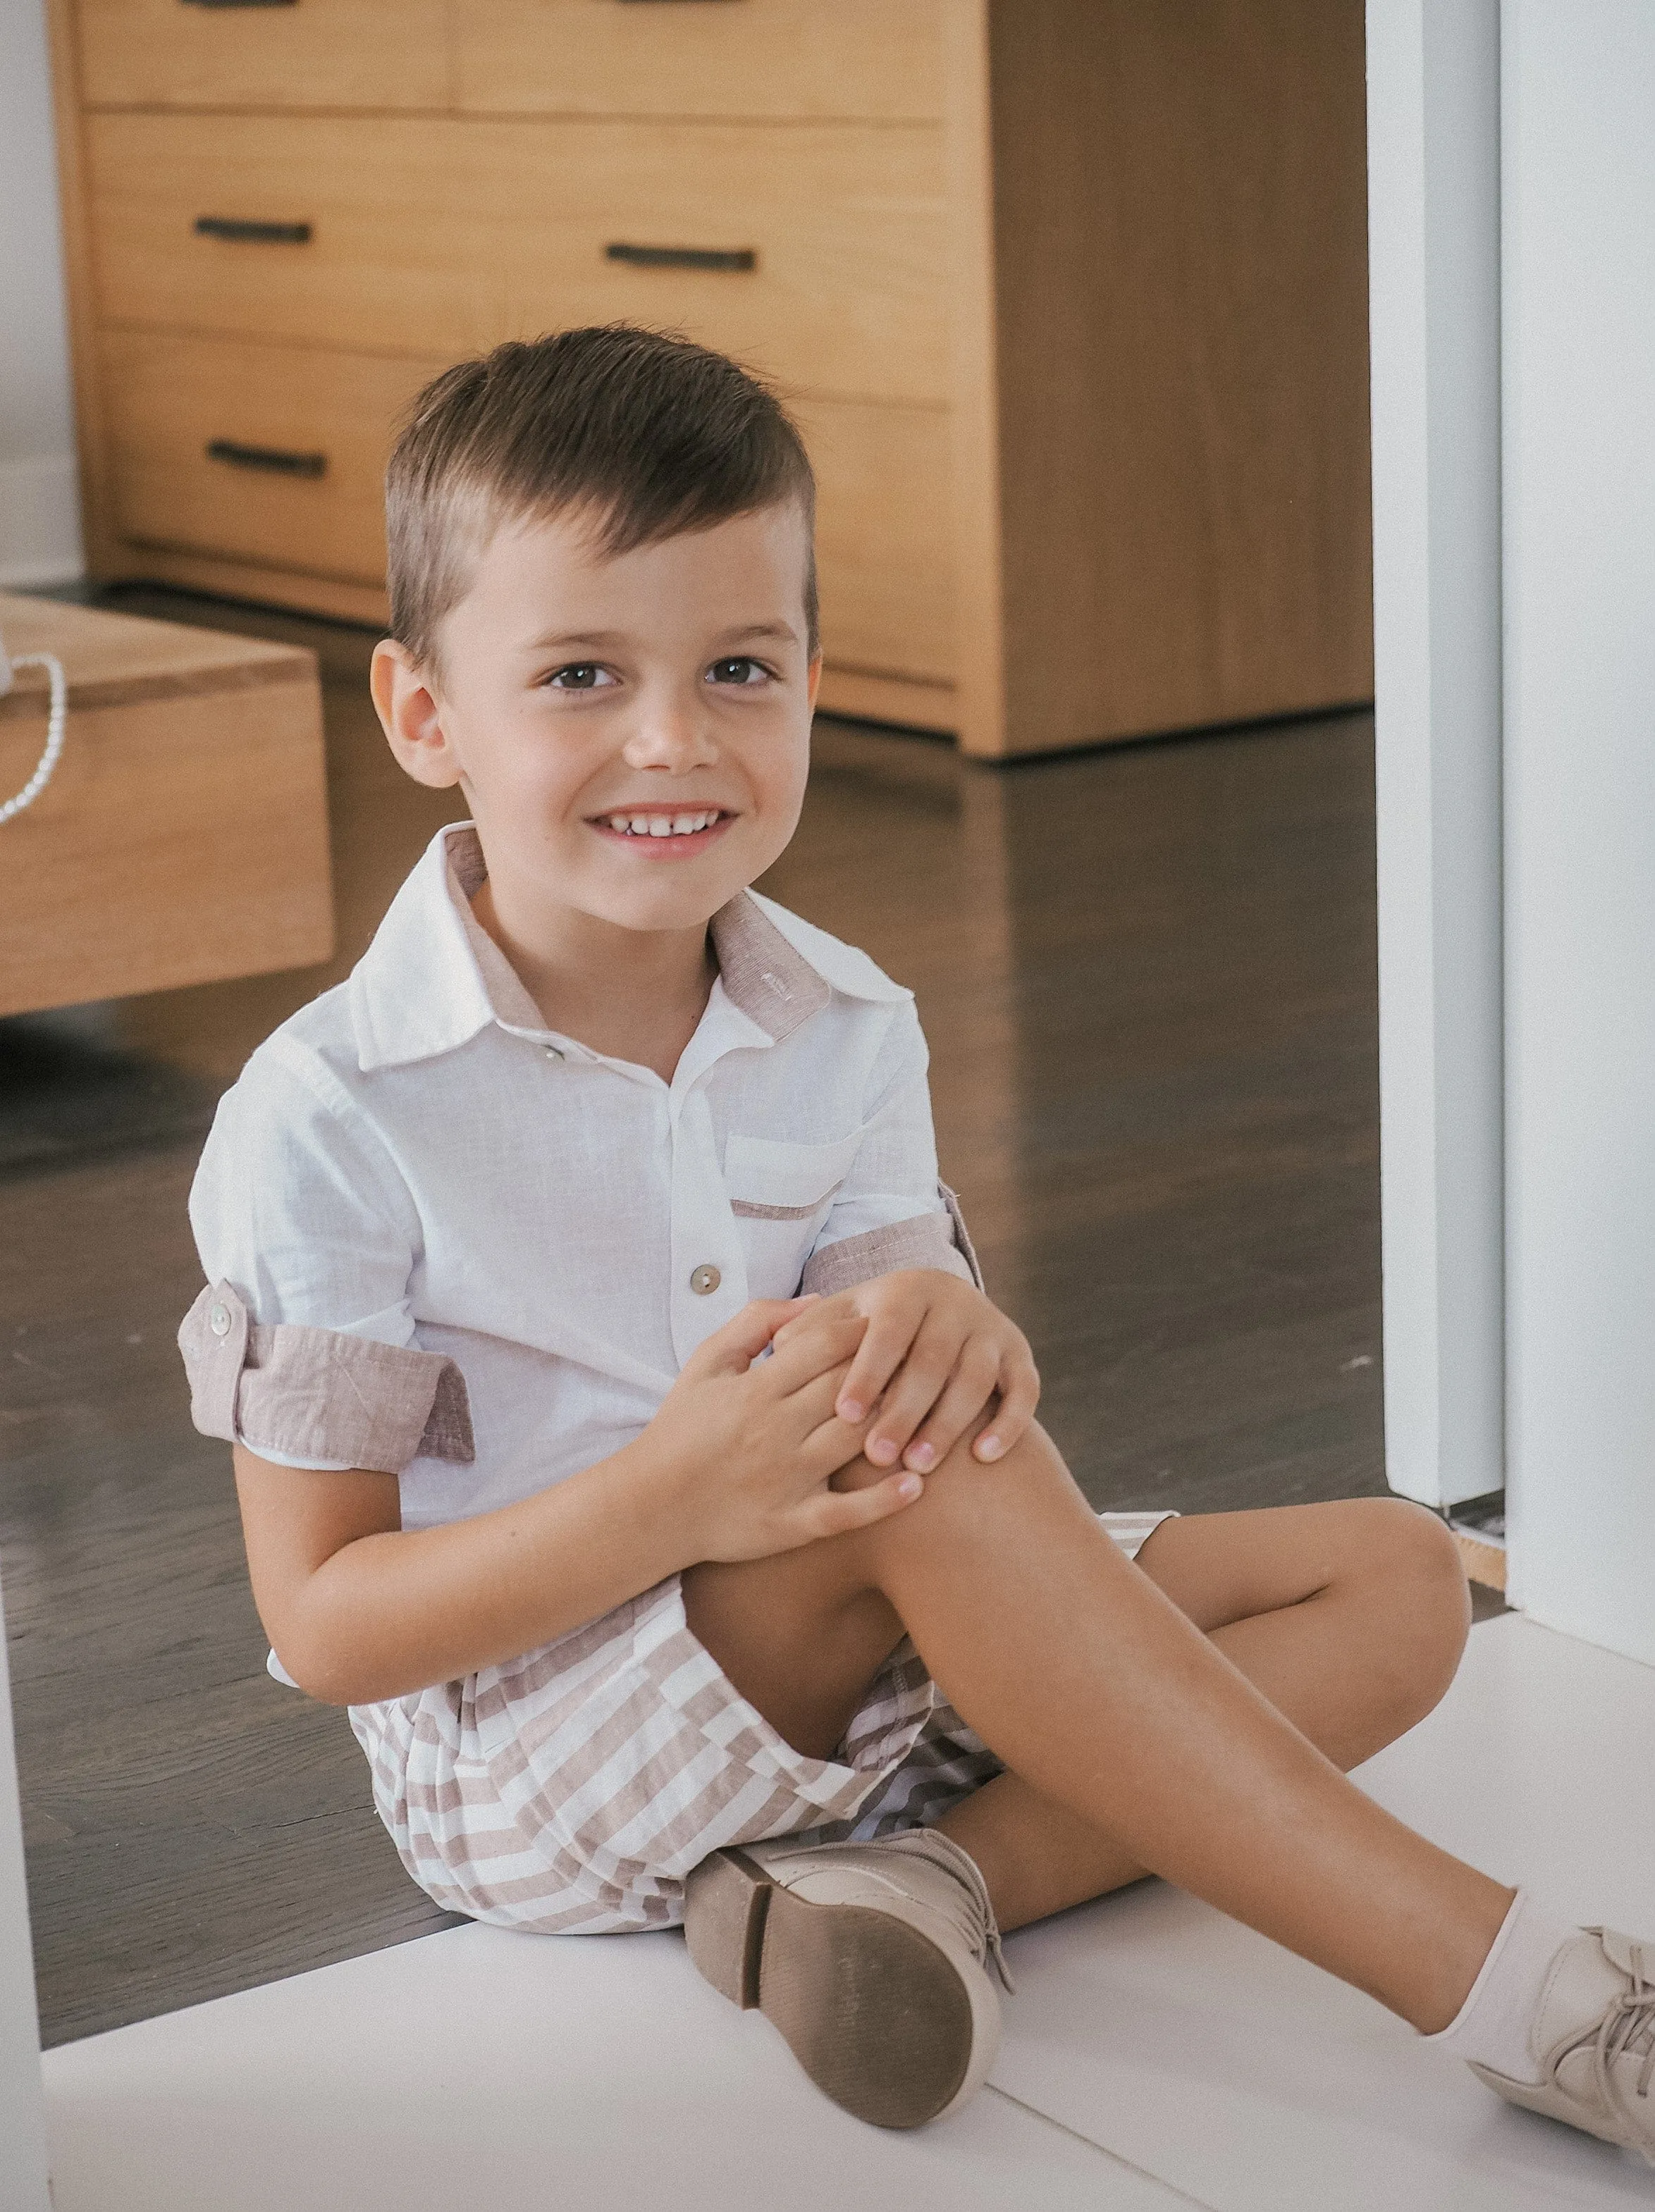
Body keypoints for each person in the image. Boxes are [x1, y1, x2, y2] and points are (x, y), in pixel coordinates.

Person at [181, 326, 1654, 2154]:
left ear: (808, 678)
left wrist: (977, 1349)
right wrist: (683, 1498)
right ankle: (1536, 1999)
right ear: (423, 715)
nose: (672, 739)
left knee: (1397, 1577)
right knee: (893, 1457)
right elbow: (327, 1630)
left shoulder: (843, 1020)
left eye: (739, 666)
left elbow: (928, 1366)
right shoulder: (333, 1115)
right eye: (577, 674)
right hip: (529, 1755)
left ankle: (914, 1890)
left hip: (854, 1636)